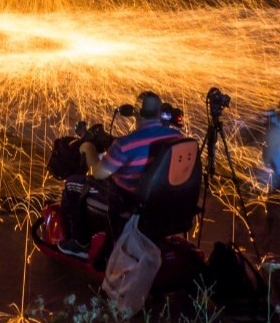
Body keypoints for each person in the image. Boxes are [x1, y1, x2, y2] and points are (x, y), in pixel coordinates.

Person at [57, 92, 185, 256]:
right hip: (162, 200)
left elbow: (98, 173)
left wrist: (89, 149)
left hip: (128, 201)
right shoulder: (176, 136)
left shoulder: (125, 144)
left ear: (136, 113)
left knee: (73, 183)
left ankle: (80, 242)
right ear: (160, 113)